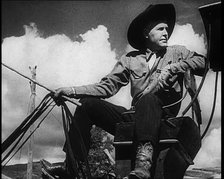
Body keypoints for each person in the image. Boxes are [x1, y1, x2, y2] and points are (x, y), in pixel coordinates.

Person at [41, 3, 205, 179]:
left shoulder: (178, 52)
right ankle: (71, 167)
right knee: (87, 105)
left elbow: (203, 63)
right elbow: (105, 87)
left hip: (164, 117)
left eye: (167, 29)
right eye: (160, 29)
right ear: (146, 33)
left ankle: (143, 164)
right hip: (133, 116)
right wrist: (71, 90)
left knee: (148, 100)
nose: (166, 33)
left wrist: (175, 68)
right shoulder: (129, 60)